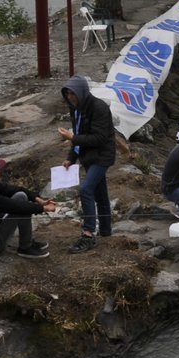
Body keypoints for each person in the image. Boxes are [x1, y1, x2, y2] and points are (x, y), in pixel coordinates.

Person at [58, 74, 116, 253]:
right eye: (67, 94)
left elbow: (99, 138)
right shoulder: (75, 109)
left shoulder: (99, 108)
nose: (70, 98)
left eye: (73, 94)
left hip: (101, 156)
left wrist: (72, 138)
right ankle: (106, 231)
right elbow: (77, 133)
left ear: (81, 93)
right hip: (88, 157)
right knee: (100, 193)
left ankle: (88, 233)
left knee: (86, 190)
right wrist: (71, 158)